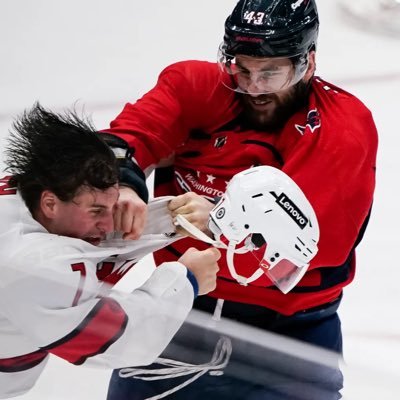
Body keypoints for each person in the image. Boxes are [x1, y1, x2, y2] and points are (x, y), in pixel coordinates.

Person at [104, 0, 378, 398]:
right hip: (179, 312)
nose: (252, 86)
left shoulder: (342, 129)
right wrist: (121, 181)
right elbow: (122, 141)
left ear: (308, 63)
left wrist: (216, 219)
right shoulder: (195, 86)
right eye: (242, 68)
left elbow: (306, 251)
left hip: (290, 340)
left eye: (270, 73)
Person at [0, 103, 220, 399]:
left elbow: (75, 242)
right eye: (97, 210)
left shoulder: (25, 192)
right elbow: (123, 341)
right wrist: (185, 280)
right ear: (50, 203)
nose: (107, 223)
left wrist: (169, 216)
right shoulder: (34, 265)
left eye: (113, 203)